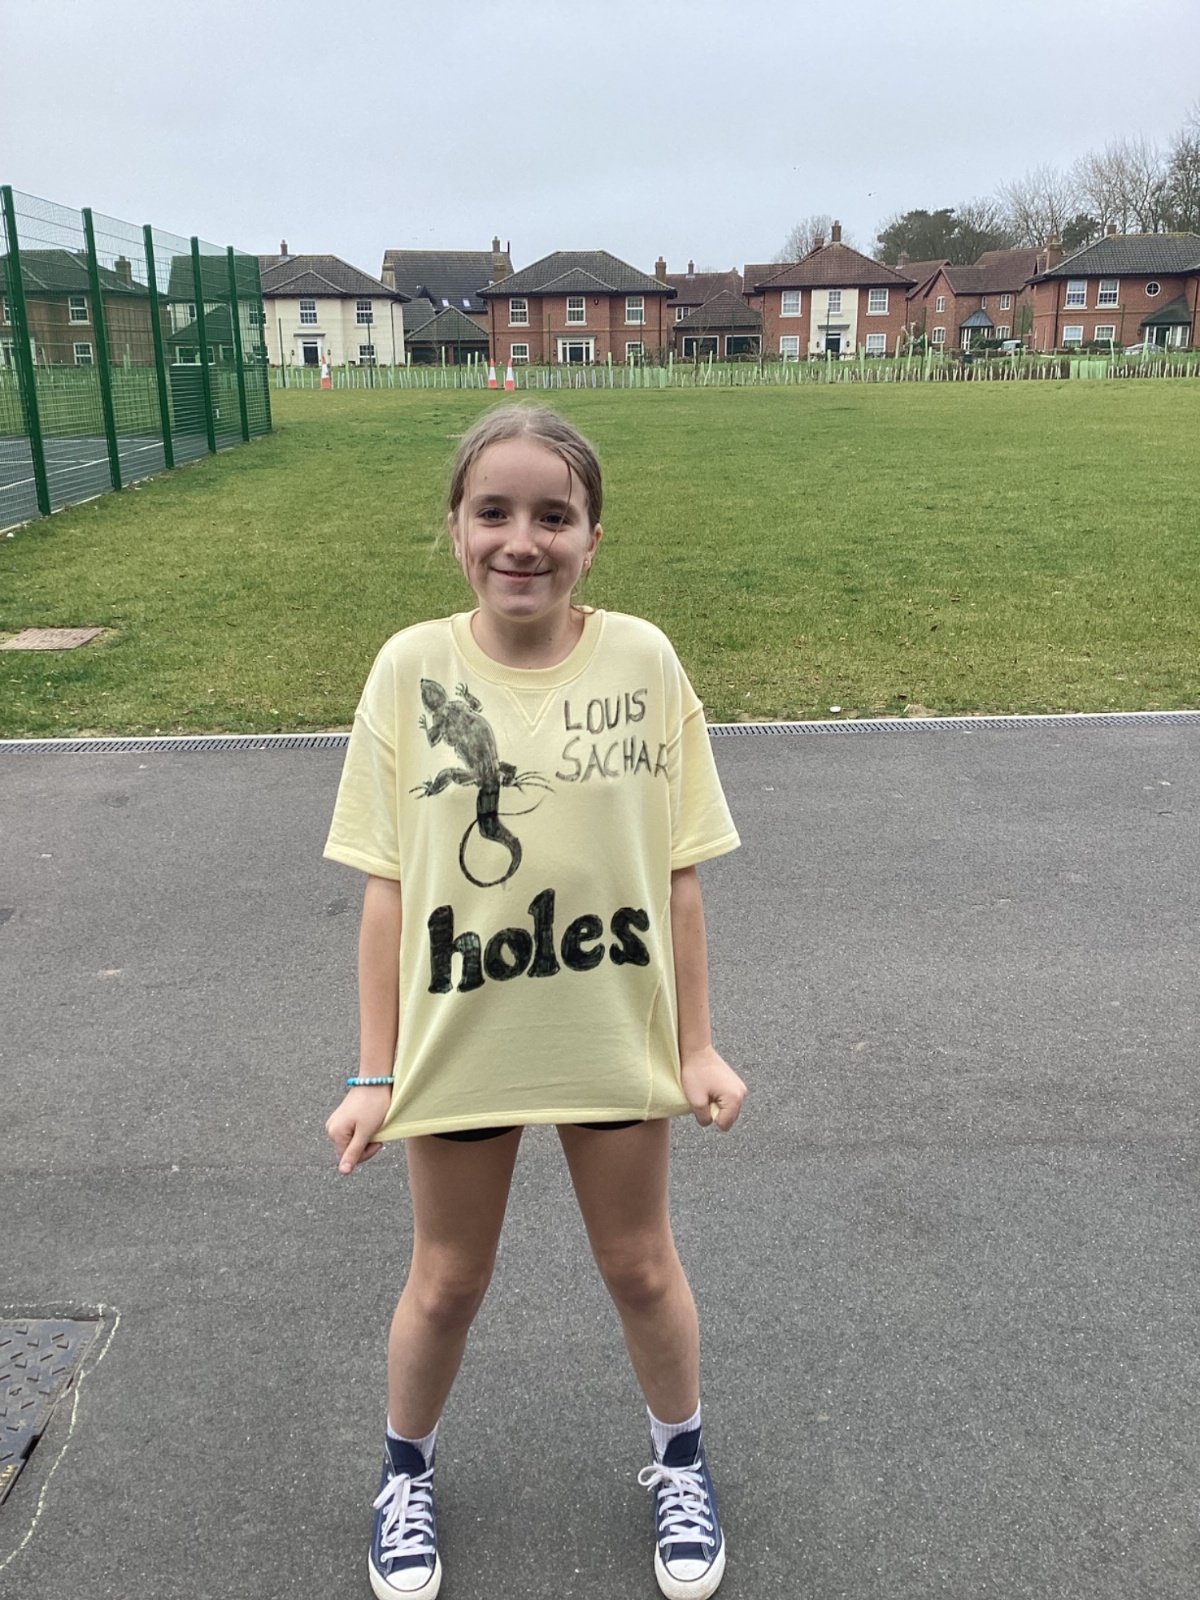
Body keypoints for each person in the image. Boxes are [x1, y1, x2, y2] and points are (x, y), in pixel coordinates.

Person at [324, 403, 745, 1600]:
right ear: (456, 528)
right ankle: (405, 1472)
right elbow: (387, 892)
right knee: (449, 1278)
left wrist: (699, 1047)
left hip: (610, 1027)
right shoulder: (411, 669)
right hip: (463, 1037)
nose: (523, 539)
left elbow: (679, 875)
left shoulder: (644, 661)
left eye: (553, 515)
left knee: (641, 1267)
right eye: (494, 512)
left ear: (592, 537)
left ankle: (681, 1458)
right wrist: (373, 1072)